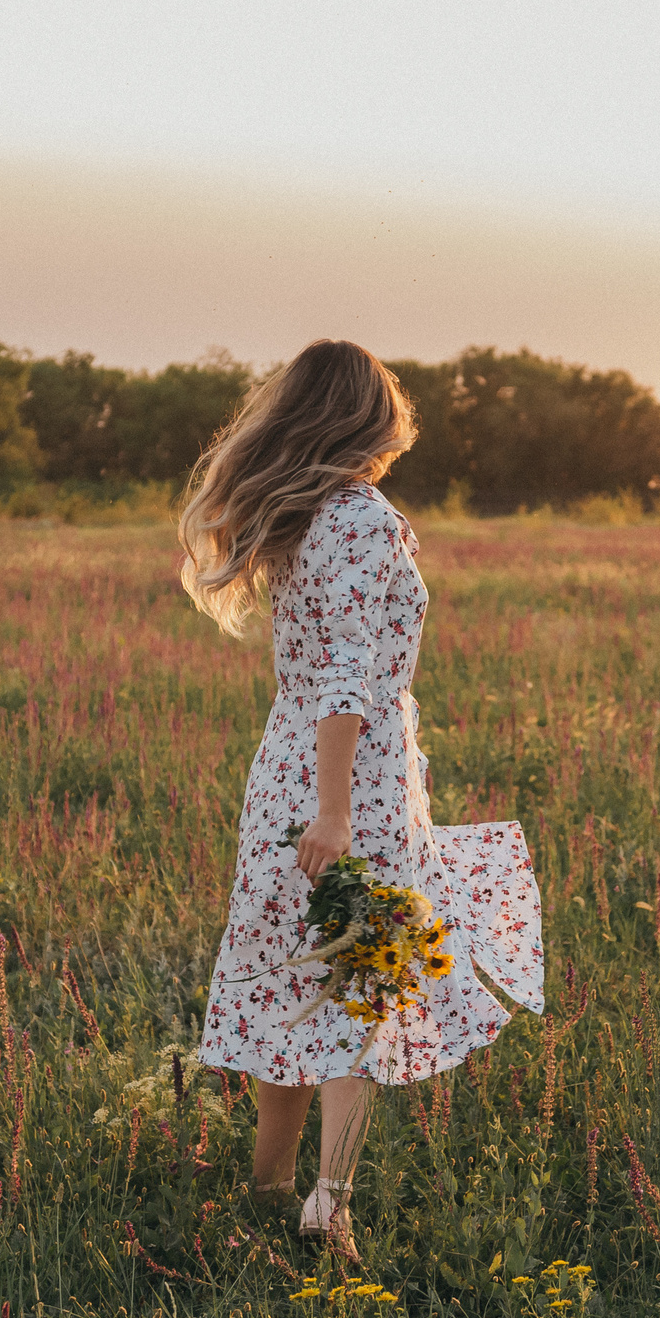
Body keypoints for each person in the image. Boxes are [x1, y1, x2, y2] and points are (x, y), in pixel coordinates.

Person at [178, 339, 544, 1256]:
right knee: (360, 985)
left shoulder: (299, 515)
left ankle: (268, 1188)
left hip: (290, 769)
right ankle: (326, 1202)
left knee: (297, 980)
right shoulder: (362, 519)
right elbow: (348, 674)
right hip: (351, 784)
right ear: (368, 419)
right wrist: (337, 811)